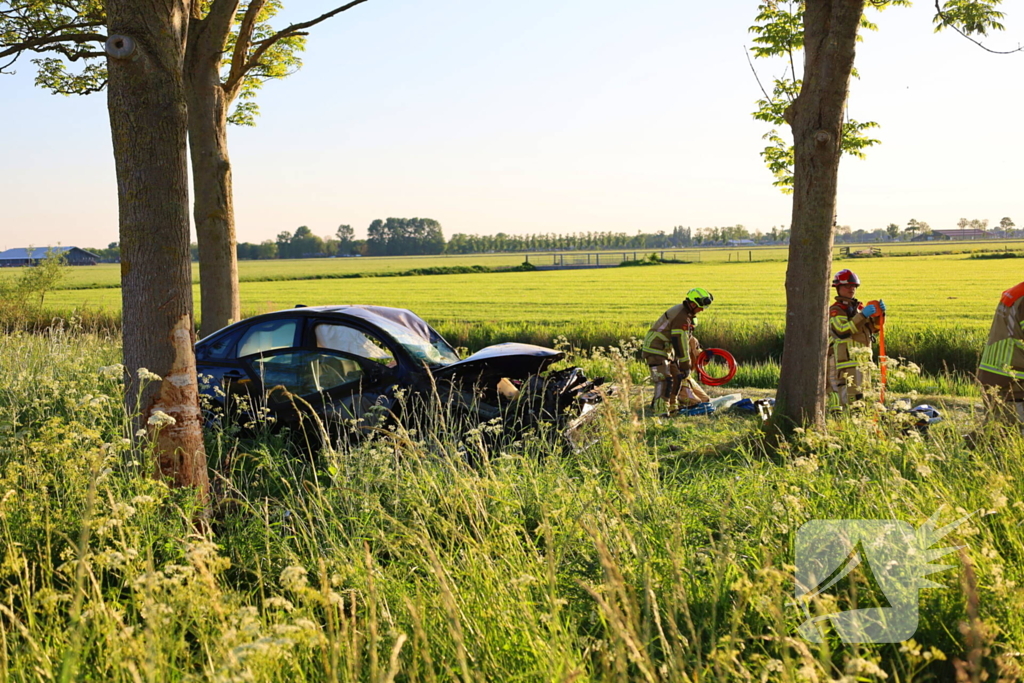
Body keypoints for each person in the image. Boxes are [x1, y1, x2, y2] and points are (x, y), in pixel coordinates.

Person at [642, 287, 713, 414]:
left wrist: (702, 355)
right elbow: (680, 342)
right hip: (655, 349)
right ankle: (661, 412)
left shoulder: (687, 314)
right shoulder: (681, 317)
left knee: (677, 377)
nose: (702, 310)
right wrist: (685, 364)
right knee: (664, 379)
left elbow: (688, 340)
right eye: (700, 307)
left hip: (666, 350)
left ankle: (672, 408)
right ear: (692, 304)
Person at [827, 269, 885, 409]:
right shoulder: (836, 310)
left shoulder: (859, 308)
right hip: (845, 362)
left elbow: (874, 329)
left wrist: (880, 315)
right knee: (851, 398)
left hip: (863, 361)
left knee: (864, 396)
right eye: (848, 286)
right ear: (838, 288)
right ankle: (844, 423)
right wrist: (862, 316)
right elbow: (842, 331)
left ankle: (860, 425)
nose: (851, 289)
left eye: (854, 286)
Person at [977, 281, 1024, 434]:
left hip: (998, 379)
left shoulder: (1018, 292)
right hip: (1014, 386)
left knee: (995, 435)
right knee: (1004, 439)